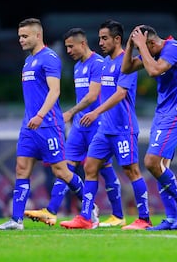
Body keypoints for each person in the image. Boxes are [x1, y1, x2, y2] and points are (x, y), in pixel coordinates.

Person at [24, 28, 125, 228]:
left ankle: (118, 214)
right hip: (80, 127)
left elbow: (93, 96)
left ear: (83, 43)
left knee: (103, 168)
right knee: (64, 167)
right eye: (66, 47)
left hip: (97, 124)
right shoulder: (78, 67)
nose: (68, 50)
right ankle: (51, 211)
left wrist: (70, 112)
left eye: (71, 46)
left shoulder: (98, 63)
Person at [0, 18, 85, 230]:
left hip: (48, 125)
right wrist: (32, 118)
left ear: (37, 35)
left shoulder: (50, 58)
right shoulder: (28, 61)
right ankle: (16, 221)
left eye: (24, 36)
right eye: (19, 37)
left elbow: (55, 91)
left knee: (61, 171)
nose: (21, 40)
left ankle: (90, 206)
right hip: (29, 126)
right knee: (21, 168)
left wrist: (41, 115)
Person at [60, 19, 152, 230]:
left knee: (131, 171)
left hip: (123, 128)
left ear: (117, 39)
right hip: (105, 129)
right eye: (100, 38)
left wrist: (95, 112)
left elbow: (121, 94)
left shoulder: (125, 63)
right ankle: (85, 217)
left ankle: (144, 219)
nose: (100, 42)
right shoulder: (105, 63)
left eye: (105, 38)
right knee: (90, 167)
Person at [121, 24, 177, 230]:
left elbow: (154, 71)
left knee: (151, 161)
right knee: (161, 167)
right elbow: (125, 69)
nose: (141, 53)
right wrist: (129, 46)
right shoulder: (152, 51)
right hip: (162, 114)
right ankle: (172, 218)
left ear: (152, 43)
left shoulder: (174, 48)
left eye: (143, 48)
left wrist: (141, 47)